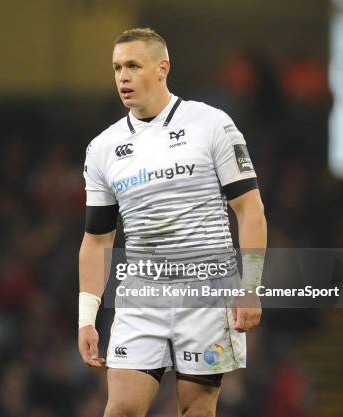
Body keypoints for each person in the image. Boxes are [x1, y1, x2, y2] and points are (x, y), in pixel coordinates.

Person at [78, 28, 267, 417]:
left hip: (206, 294)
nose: (123, 77)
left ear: (162, 68)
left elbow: (250, 209)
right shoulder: (103, 148)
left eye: (133, 65)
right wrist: (86, 318)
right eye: (116, 68)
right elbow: (97, 240)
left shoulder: (211, 124)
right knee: (122, 409)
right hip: (141, 296)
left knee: (196, 411)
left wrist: (249, 287)